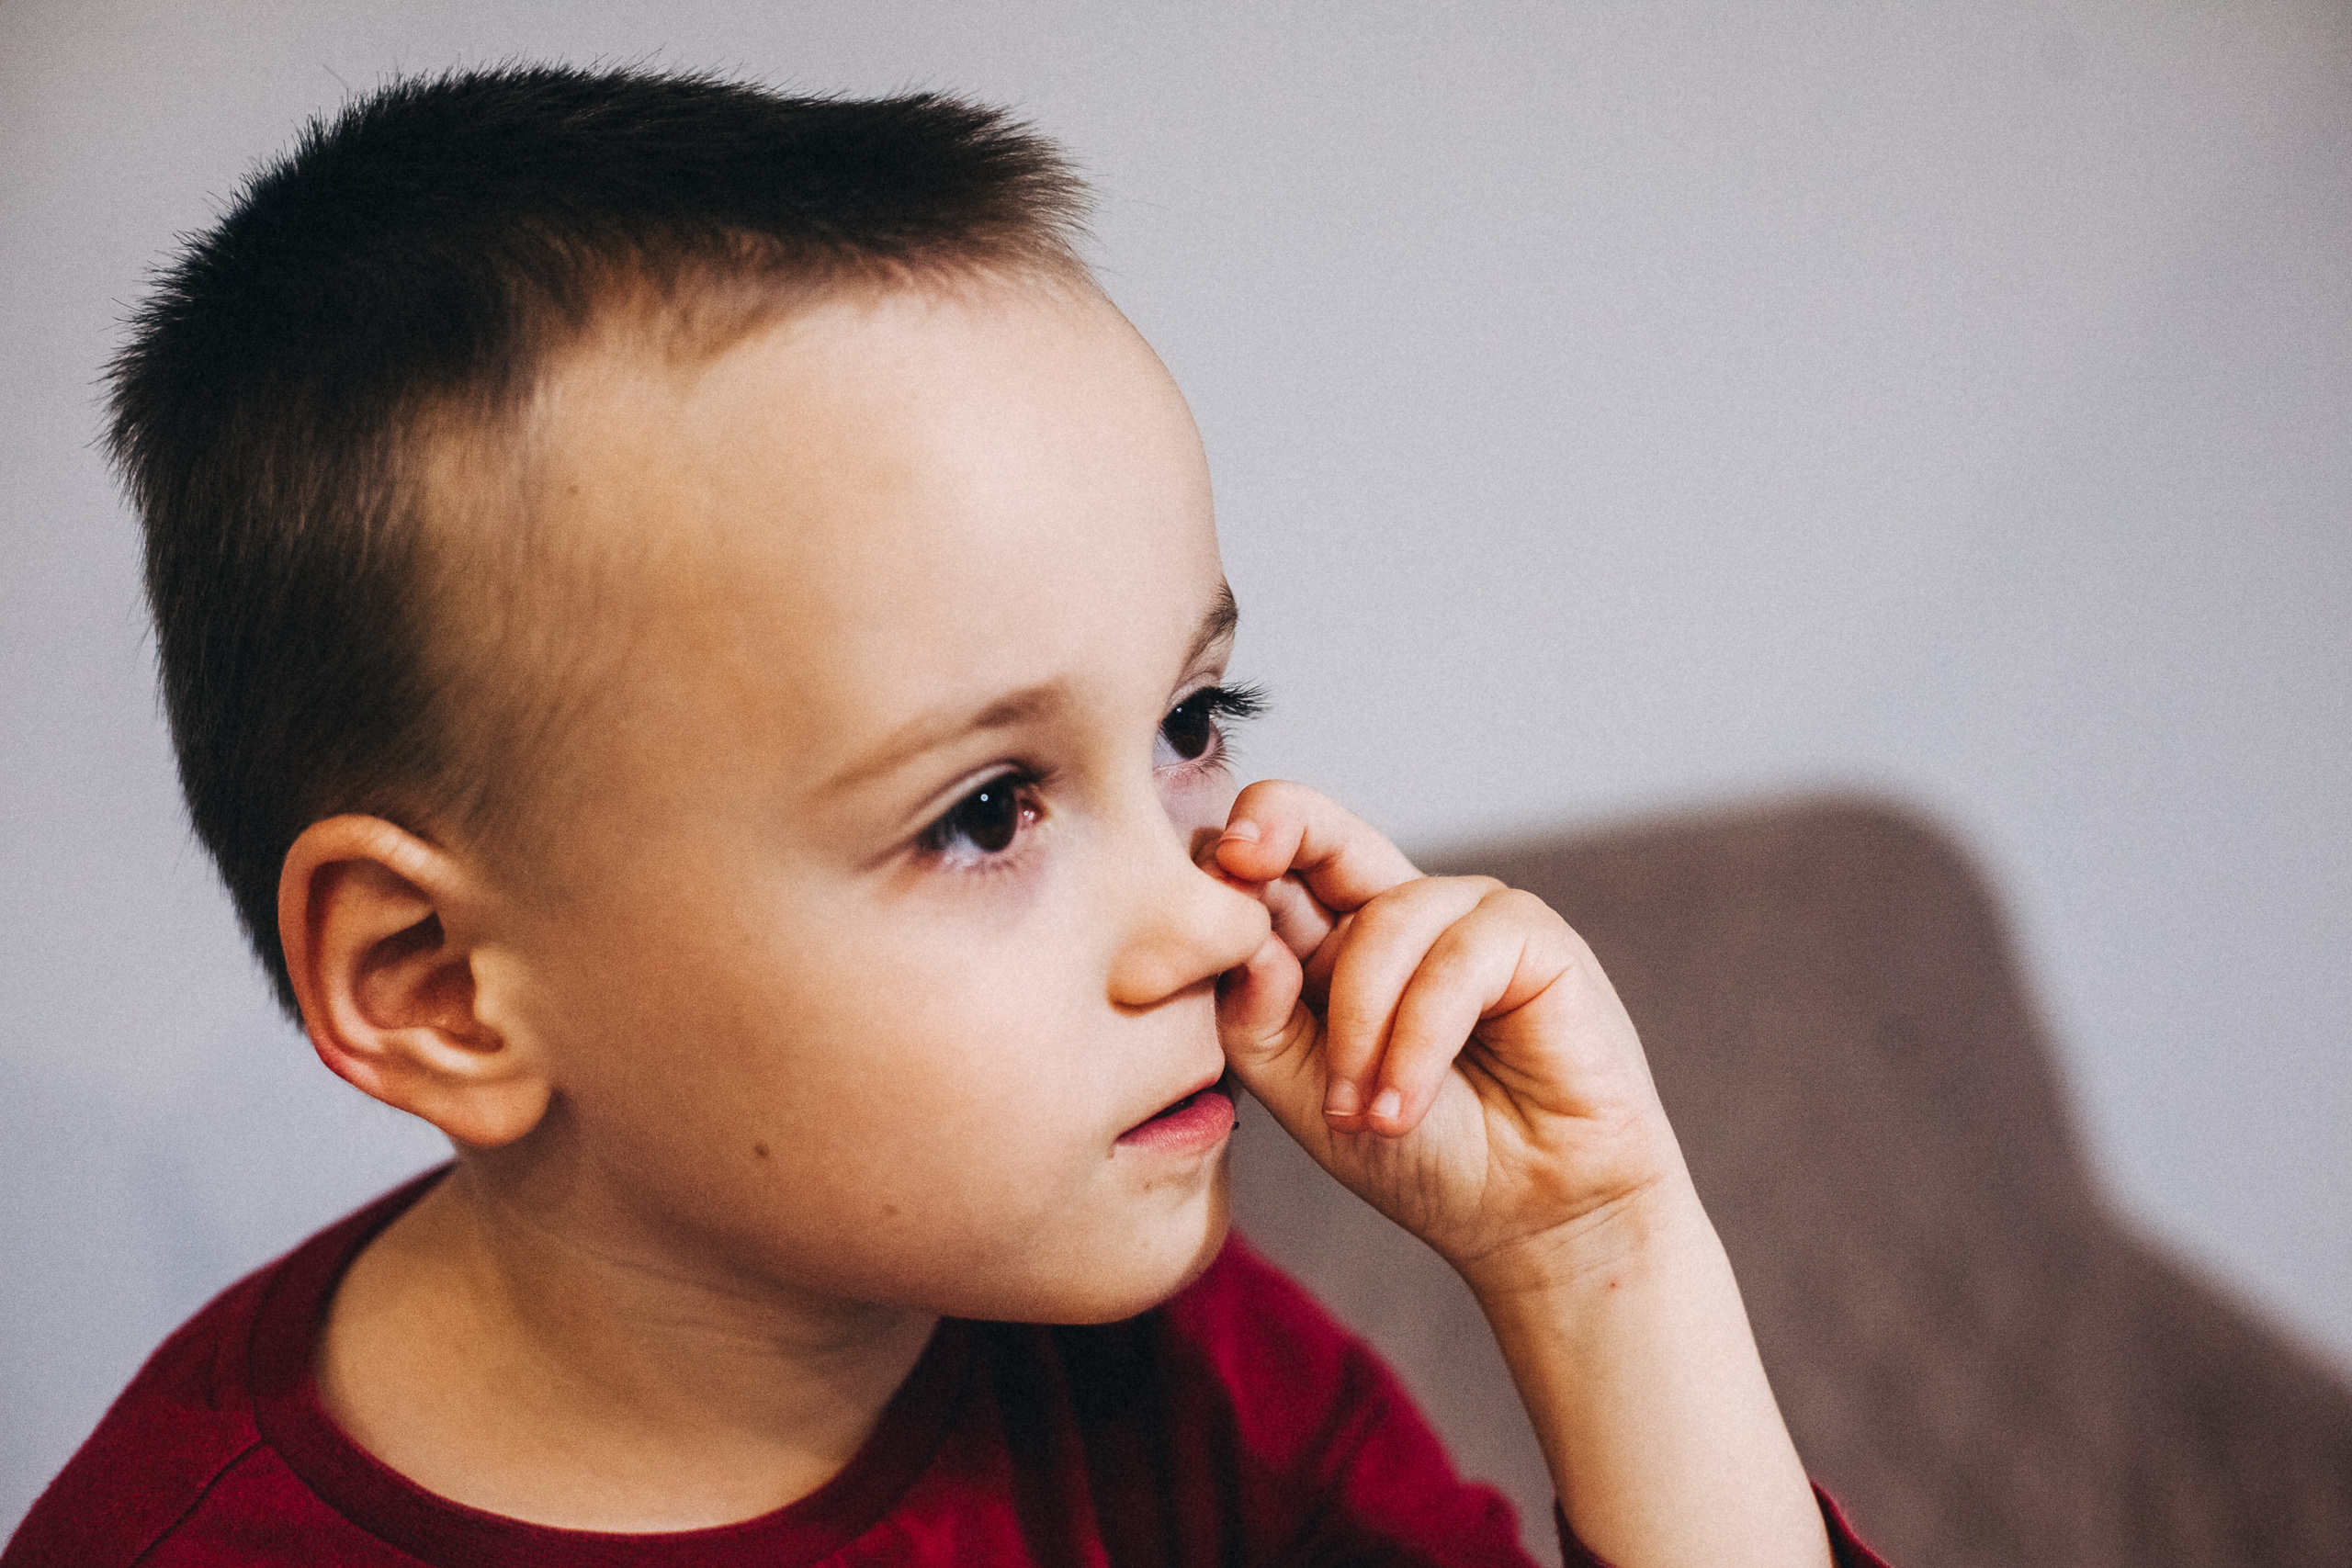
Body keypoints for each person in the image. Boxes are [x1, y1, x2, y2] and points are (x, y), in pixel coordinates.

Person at [4, 67, 1886, 1567]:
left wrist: (1596, 1265)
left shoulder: (1176, 1375)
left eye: (1187, 721)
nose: (1216, 919)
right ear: (439, 982)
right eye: (985, 809)